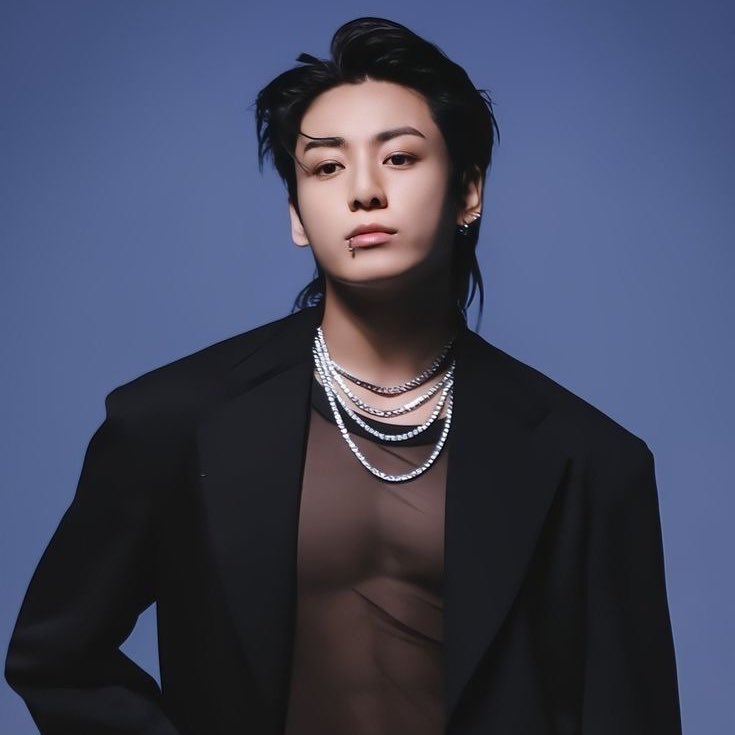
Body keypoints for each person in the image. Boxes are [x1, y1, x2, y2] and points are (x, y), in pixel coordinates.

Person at [5, 16, 682, 735]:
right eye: (326, 167)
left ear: (468, 192)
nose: (363, 191)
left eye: (400, 158)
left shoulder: (589, 461)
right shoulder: (172, 420)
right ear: (297, 214)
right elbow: (56, 654)